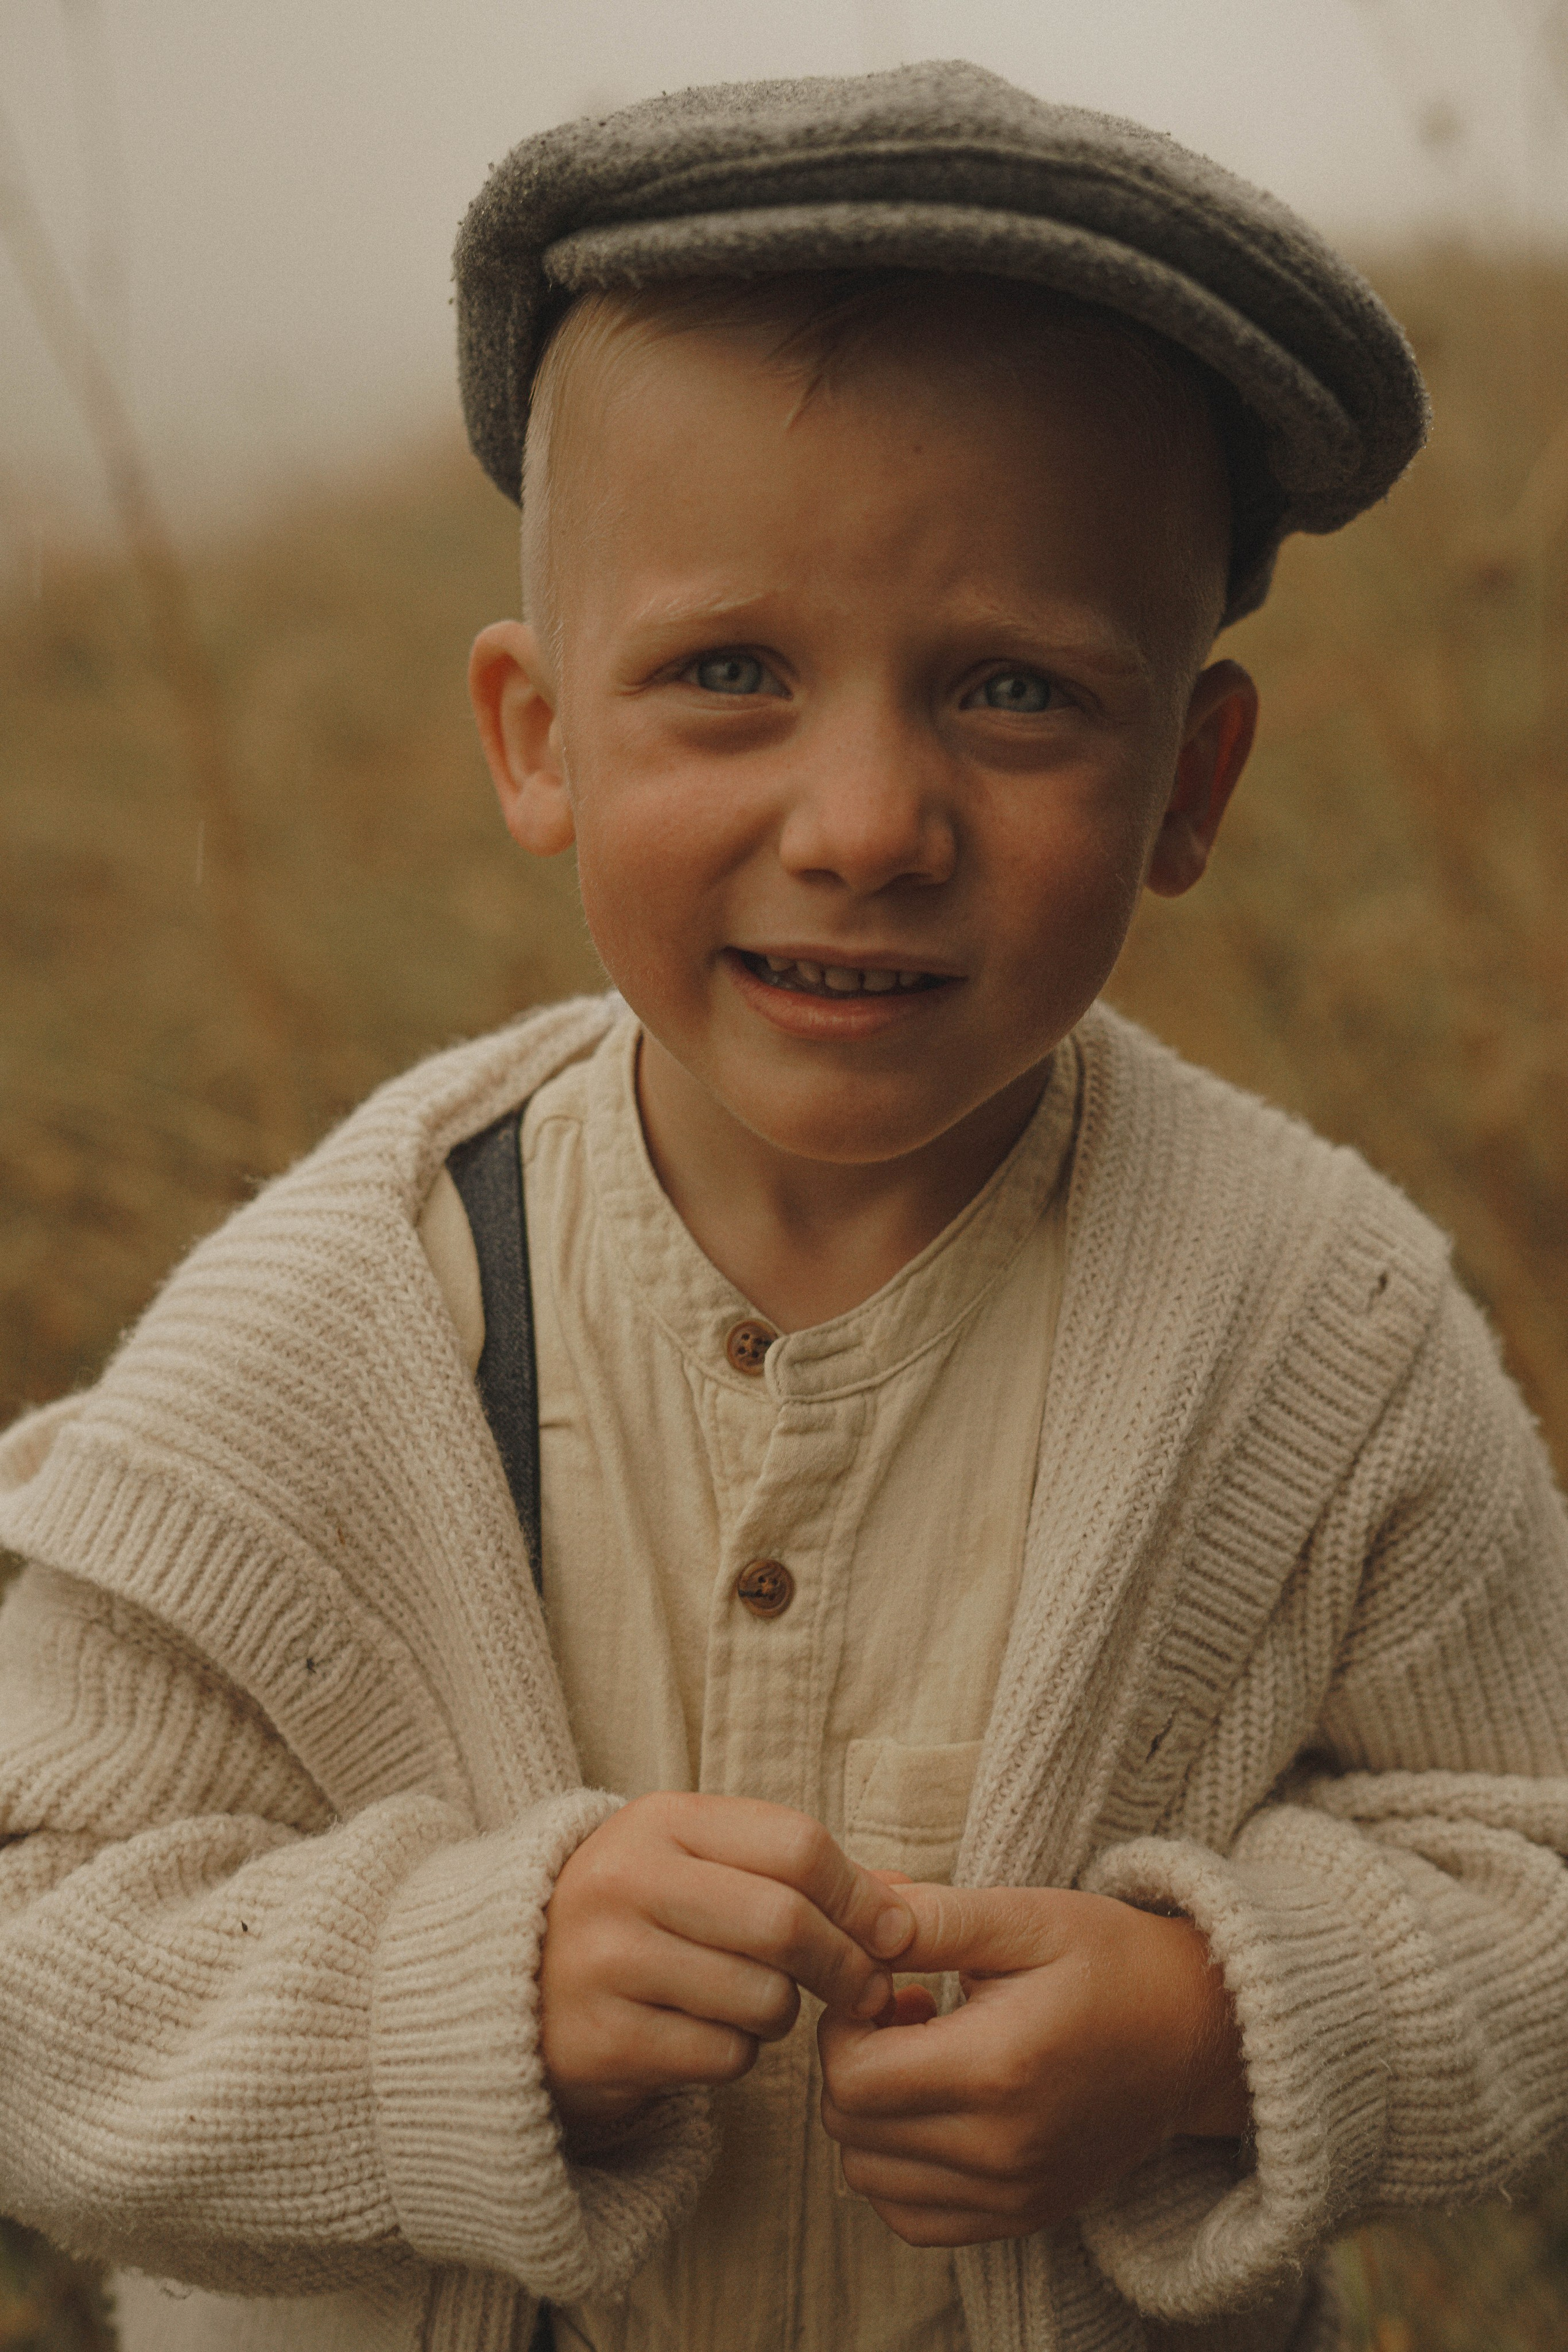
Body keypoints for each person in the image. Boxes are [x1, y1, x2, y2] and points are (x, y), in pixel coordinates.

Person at [1, 58, 1566, 2352]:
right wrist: (478, 1988)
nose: (865, 820)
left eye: (1015, 693)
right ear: (538, 736)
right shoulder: (339, 1324)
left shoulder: (1319, 1332)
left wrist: (1212, 2022)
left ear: (1190, 779)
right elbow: (43, 1965)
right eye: (730, 673)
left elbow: (1525, 1869)